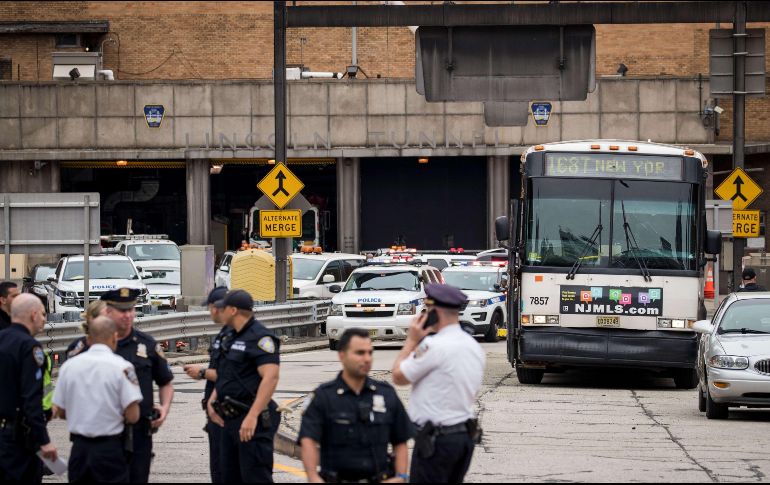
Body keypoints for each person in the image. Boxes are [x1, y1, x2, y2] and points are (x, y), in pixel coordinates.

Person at [391, 283, 486, 484]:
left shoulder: (433, 345)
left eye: (427, 310)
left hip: (437, 442)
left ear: (436, 312)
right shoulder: (473, 346)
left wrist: (411, 341)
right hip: (463, 438)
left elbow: (399, 377)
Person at [299, 328, 413, 483]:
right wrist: (313, 477)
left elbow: (400, 441)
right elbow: (308, 440)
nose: (367, 359)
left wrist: (401, 477)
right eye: (360, 353)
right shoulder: (324, 397)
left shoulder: (386, 394)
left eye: (369, 353)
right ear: (342, 355)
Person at [52, 316, 143, 483]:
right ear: (115, 337)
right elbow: (133, 415)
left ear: (88, 339)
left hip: (79, 450)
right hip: (110, 449)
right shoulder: (122, 367)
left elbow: (60, 411)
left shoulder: (68, 367)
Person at [102, 287, 174, 483]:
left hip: (139, 431)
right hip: (103, 431)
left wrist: (164, 409)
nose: (127, 315)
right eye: (122, 310)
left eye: (131, 310)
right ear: (108, 311)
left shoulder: (147, 344)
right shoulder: (94, 345)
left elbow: (165, 382)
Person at [208, 290, 281, 483]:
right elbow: (226, 374)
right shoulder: (229, 337)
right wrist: (213, 400)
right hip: (228, 419)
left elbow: (271, 378)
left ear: (232, 310)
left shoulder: (261, 338)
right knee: (228, 476)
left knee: (254, 476)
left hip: (251, 419)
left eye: (222, 308)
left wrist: (252, 416)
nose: (218, 311)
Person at [0, 294, 58, 484]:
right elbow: (31, 399)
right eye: (42, 314)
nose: (44, 319)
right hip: (16, 439)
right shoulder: (29, 347)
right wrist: (43, 440)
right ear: (33, 315)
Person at [182, 286, 231, 483]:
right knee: (219, 470)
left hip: (226, 412)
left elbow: (231, 375)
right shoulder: (224, 335)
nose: (210, 312)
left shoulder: (233, 337)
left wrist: (202, 373)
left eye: (210, 307)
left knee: (224, 471)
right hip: (218, 411)